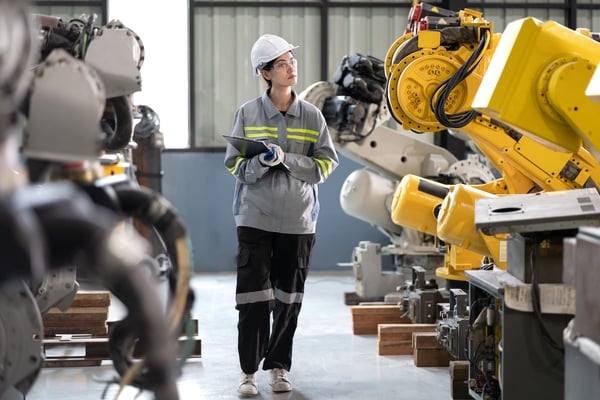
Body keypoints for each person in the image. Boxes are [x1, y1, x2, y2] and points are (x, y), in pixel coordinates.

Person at [223, 33, 339, 396]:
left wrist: (287, 160)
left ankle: (278, 367)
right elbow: (233, 164)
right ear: (265, 73)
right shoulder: (247, 113)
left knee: (289, 299)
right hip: (254, 217)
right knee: (253, 299)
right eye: (283, 64)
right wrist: (258, 162)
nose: (292, 69)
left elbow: (325, 164)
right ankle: (248, 372)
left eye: (292, 62)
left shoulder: (312, 115)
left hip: (298, 220)